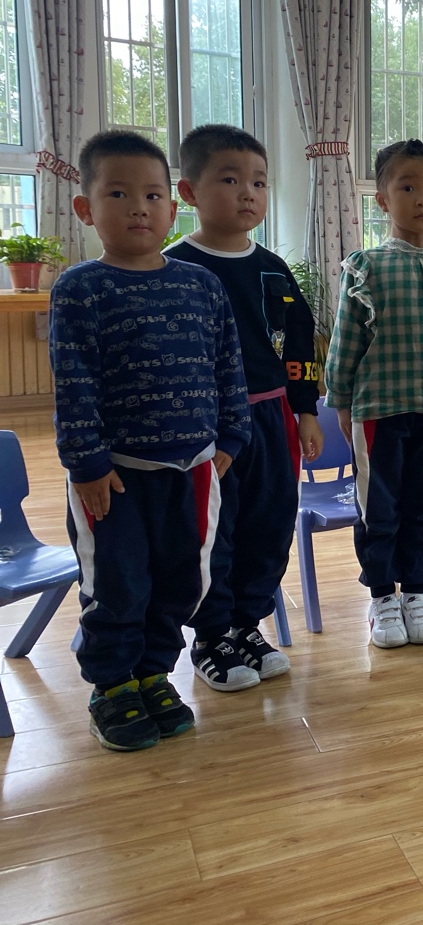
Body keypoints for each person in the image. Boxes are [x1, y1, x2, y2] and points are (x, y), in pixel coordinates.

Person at [50, 130, 251, 751]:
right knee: (117, 584)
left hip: (194, 469)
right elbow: (74, 383)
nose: (139, 207)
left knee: (182, 580)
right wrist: (86, 464)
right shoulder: (80, 289)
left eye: (152, 195)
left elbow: (228, 367)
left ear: (172, 206)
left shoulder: (202, 285)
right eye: (118, 193)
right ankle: (113, 685)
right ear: (85, 208)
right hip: (113, 476)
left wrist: (231, 436)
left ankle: (153, 674)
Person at [165, 124, 321, 691]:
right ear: (189, 192)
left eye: (258, 181)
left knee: (269, 522)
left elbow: (299, 346)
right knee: (214, 530)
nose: (248, 193)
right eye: (230, 180)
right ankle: (211, 636)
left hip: (272, 417)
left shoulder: (275, 269)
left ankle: (247, 626)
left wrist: (306, 410)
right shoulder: (173, 267)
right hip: (206, 424)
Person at [325, 139, 423, 649]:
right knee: (379, 506)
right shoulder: (367, 267)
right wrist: (341, 401)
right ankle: (382, 598)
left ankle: (415, 592)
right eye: (409, 187)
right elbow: (345, 343)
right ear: (382, 199)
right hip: (379, 411)